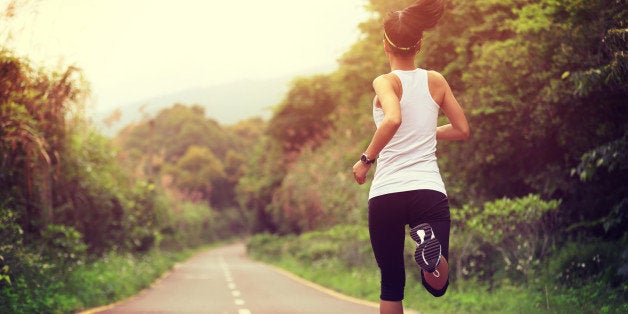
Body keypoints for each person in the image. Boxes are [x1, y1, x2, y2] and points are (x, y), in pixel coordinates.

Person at [352, 0, 470, 313]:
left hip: (387, 193)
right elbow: (461, 129)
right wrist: (425, 133)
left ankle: (429, 253)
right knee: (437, 286)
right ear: (420, 43)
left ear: (384, 44)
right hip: (427, 190)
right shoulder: (436, 80)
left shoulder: (385, 81)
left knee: (391, 285)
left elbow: (392, 119)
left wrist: (365, 160)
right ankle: (431, 254)